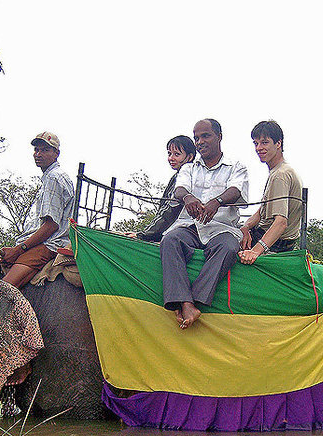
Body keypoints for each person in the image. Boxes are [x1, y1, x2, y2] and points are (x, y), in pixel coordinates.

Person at [160, 119, 249, 329]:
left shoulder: (236, 167)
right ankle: (186, 303)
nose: (199, 142)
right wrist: (189, 198)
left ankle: (196, 299)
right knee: (170, 240)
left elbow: (236, 190)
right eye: (196, 137)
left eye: (205, 136)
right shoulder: (189, 168)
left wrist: (217, 202)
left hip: (221, 228)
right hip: (190, 227)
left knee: (228, 248)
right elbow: (179, 189)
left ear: (219, 136)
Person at [0, 131, 75, 289]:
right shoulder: (53, 177)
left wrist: (19, 249)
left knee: (2, 290)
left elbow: (51, 226)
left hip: (49, 245)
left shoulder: (53, 178)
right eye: (36, 150)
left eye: (45, 150)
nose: (38, 154)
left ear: (56, 154)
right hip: (45, 242)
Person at [239, 120, 303, 265]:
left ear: (278, 143)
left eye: (264, 142)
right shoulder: (279, 171)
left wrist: (254, 251)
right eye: (256, 143)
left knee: (222, 246)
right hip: (263, 235)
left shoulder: (280, 175)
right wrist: (246, 227)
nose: (259, 148)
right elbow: (263, 210)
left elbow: (281, 223)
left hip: (276, 244)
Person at [126, 135, 196, 242]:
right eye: (169, 153)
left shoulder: (188, 177)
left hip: (182, 233)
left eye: (177, 154)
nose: (171, 158)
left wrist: (144, 235)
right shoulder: (177, 176)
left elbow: (170, 211)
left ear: (190, 157)